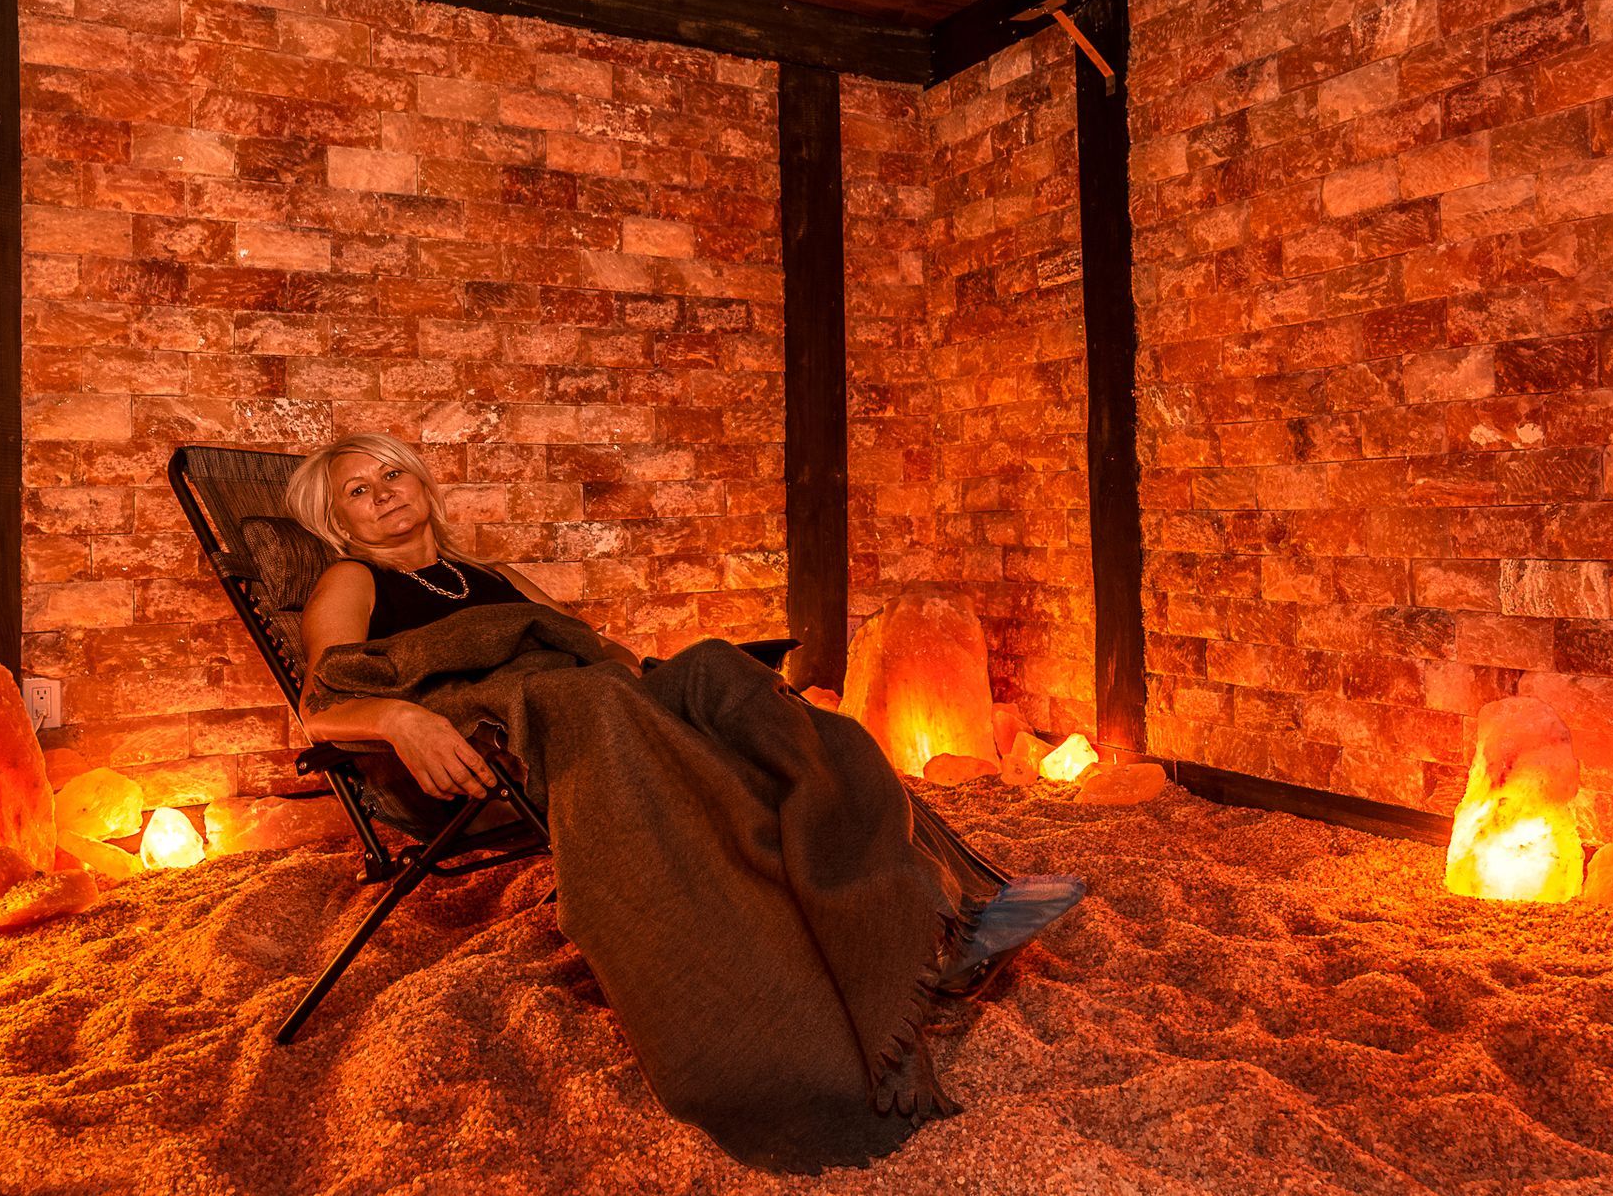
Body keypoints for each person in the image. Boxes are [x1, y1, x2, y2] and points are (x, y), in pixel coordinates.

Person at [284, 432, 1082, 1171]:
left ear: (421, 483)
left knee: (720, 670)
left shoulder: (492, 577)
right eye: (358, 490)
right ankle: (861, 973)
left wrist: (663, 692)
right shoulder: (353, 580)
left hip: (591, 705)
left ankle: (946, 909)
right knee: (612, 701)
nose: (383, 492)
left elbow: (584, 646)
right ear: (338, 521)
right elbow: (321, 699)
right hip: (492, 753)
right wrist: (403, 720)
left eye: (392, 473)